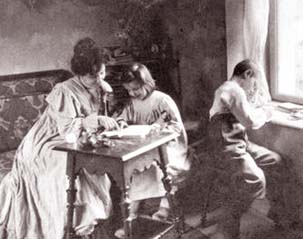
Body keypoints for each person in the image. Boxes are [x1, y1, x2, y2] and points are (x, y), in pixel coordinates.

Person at [0, 37, 120, 239]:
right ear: (80, 74)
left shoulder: (100, 86)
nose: (99, 80)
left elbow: (103, 114)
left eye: (102, 73)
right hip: (49, 141)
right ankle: (75, 226)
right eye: (93, 76)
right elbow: (68, 131)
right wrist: (97, 120)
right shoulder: (64, 90)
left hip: (79, 136)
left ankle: (97, 221)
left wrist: (112, 119)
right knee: (70, 164)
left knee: (100, 155)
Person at [208, 59, 301, 239]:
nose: (253, 88)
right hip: (225, 146)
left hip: (238, 143)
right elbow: (250, 122)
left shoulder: (233, 91)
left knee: (277, 161)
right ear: (248, 74)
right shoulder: (232, 90)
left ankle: (280, 215)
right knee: (255, 180)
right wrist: (267, 112)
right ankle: (227, 226)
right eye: (254, 83)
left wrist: (258, 104)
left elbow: (245, 113)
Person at [113, 62, 189, 238]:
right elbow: (123, 118)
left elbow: (176, 128)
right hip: (144, 147)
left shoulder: (163, 100)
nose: (132, 94)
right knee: (133, 168)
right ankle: (130, 218)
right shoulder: (133, 102)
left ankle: (163, 209)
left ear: (146, 83)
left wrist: (159, 130)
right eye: (129, 91)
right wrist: (122, 122)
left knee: (152, 168)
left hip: (169, 147)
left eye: (136, 89)